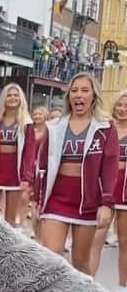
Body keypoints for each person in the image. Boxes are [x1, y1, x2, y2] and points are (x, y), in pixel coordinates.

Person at [35, 73, 118, 274]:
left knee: (80, 261)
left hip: (87, 202)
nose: (78, 95)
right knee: (52, 257)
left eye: (84, 90)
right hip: (56, 199)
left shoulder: (105, 128)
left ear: (94, 96)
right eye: (74, 90)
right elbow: (42, 165)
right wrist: (36, 198)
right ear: (68, 96)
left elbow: (109, 167)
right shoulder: (54, 127)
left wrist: (106, 204)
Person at [0, 84, 36, 226]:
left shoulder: (26, 123)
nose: (13, 98)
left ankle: (8, 246)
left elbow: (30, 152)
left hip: (14, 173)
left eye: (16, 95)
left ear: (21, 99)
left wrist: (26, 177)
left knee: (10, 218)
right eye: (9, 95)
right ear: (4, 98)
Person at [105, 90, 127, 292]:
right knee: (95, 236)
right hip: (106, 189)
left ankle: (123, 285)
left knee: (124, 239)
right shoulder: (106, 128)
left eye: (126, 107)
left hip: (126, 191)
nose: (122, 109)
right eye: (120, 105)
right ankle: (88, 280)